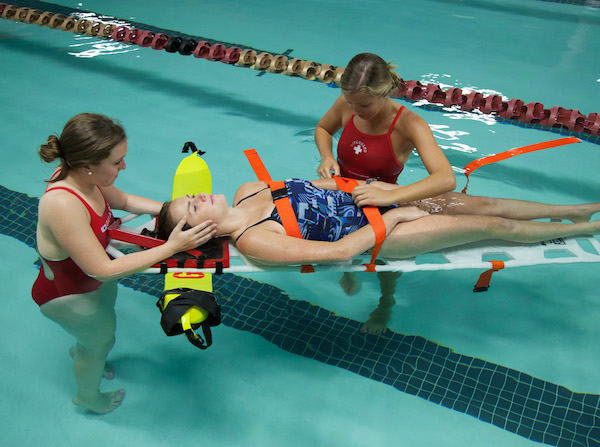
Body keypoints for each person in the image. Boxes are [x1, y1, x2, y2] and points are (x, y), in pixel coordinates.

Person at [33, 113, 216, 414]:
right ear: (88, 165)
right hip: (68, 296)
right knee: (100, 342)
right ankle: (87, 397)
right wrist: (172, 246)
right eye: (117, 162)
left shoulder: (84, 177)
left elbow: (126, 201)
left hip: (93, 284)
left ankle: (85, 346)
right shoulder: (63, 204)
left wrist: (180, 213)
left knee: (95, 337)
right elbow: (99, 269)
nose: (124, 167)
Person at [155, 176, 600, 273]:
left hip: (375, 200)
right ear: (204, 232)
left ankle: (580, 209)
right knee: (492, 225)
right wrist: (398, 215)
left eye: (190, 196)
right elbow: (339, 252)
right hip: (386, 235)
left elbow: (324, 185)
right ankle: (587, 230)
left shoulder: (248, 188)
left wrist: (386, 191)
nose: (196, 196)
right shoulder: (257, 241)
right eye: (192, 208)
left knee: (479, 200)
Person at [314, 52, 456, 333]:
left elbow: (446, 178)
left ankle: (386, 302)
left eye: (363, 104)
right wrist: (326, 157)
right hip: (343, 195)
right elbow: (323, 128)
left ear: (385, 93)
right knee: (343, 245)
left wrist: (391, 196)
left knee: (384, 260)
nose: (355, 111)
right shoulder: (348, 102)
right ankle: (348, 270)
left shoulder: (409, 124)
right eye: (351, 102)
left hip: (382, 204)